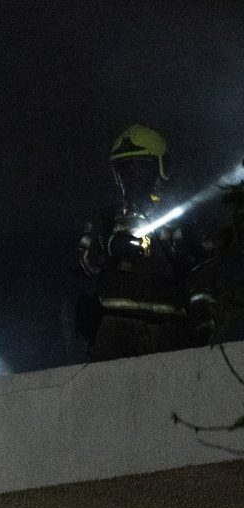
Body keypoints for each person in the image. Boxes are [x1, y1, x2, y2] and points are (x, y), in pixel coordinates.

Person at [77, 125, 211, 362]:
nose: (132, 176)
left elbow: (203, 272)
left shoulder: (181, 220)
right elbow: (87, 265)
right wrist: (110, 249)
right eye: (125, 168)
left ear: (160, 169)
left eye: (140, 167)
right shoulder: (105, 219)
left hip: (171, 332)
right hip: (114, 331)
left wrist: (205, 323)